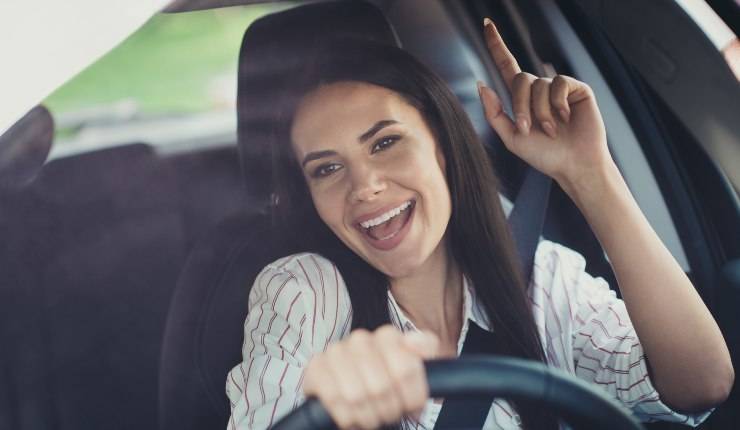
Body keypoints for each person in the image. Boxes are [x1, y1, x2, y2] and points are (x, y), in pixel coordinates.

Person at [225, 18, 733, 430]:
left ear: (442, 146)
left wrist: (590, 174)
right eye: (327, 169)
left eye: (385, 143)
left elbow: (700, 385)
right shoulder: (304, 289)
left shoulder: (537, 274)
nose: (364, 188)